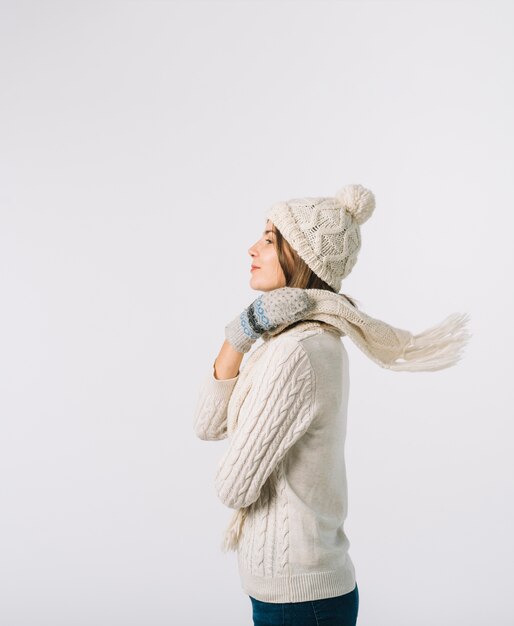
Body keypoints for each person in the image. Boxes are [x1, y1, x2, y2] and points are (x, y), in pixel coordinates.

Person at [192, 184, 471, 626]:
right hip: (291, 592)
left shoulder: (299, 351)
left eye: (269, 239)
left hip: (301, 599)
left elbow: (233, 486)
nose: (253, 248)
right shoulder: (282, 341)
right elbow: (207, 424)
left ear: (300, 256)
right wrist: (240, 333)